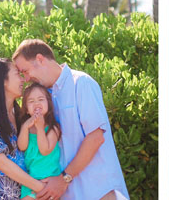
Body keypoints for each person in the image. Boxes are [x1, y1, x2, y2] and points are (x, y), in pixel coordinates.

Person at [13, 39, 129, 200]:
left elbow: (96, 137)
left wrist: (65, 178)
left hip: (98, 191)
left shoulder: (81, 83)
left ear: (40, 59)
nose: (26, 79)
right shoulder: (41, 97)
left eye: (25, 71)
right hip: (68, 194)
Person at [0, 58, 47, 200]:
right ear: (3, 81)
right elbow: (1, 162)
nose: (23, 79)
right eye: (17, 74)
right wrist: (41, 188)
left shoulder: (23, 116)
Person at [18, 83, 64, 198]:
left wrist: (40, 128)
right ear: (27, 109)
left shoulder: (53, 127)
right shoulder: (26, 127)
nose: (36, 103)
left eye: (41, 99)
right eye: (31, 101)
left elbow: (45, 150)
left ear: (48, 103)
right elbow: (22, 146)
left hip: (49, 181)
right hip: (31, 182)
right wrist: (25, 127)